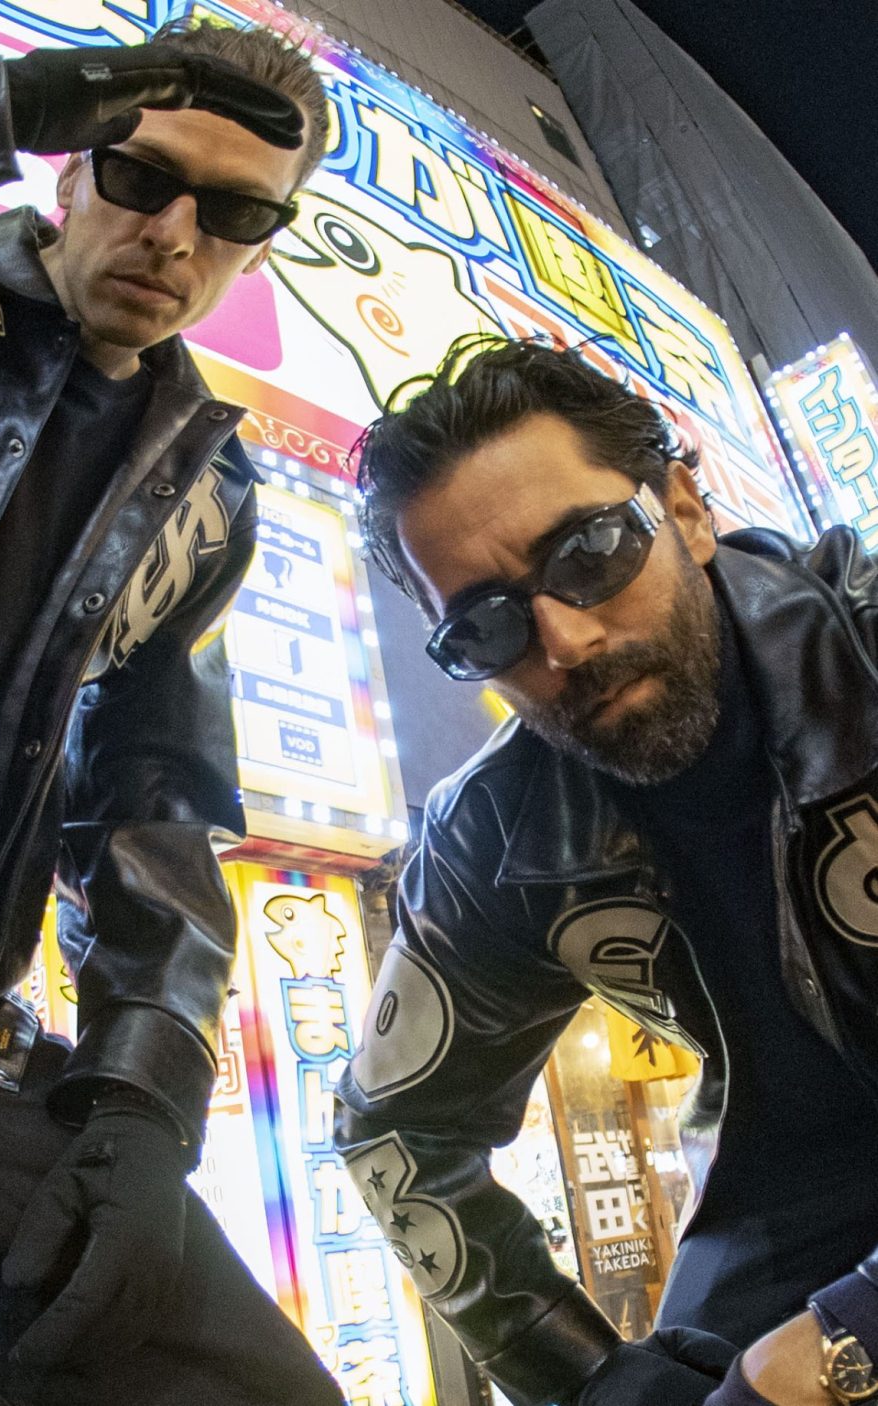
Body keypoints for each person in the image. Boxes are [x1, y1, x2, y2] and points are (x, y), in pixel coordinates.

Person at [0, 17, 343, 1406]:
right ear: (68, 167)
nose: (173, 233)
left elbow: (153, 796)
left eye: (231, 211)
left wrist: (141, 1096)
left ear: (261, 245)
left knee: (239, 1383)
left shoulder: (207, 496)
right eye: (139, 174)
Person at [334, 335, 878, 1406]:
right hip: (790, 1191)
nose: (564, 640)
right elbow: (400, 1129)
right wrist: (584, 1375)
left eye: (587, 551)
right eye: (485, 625)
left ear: (684, 508)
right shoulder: (494, 836)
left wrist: (846, 1340)